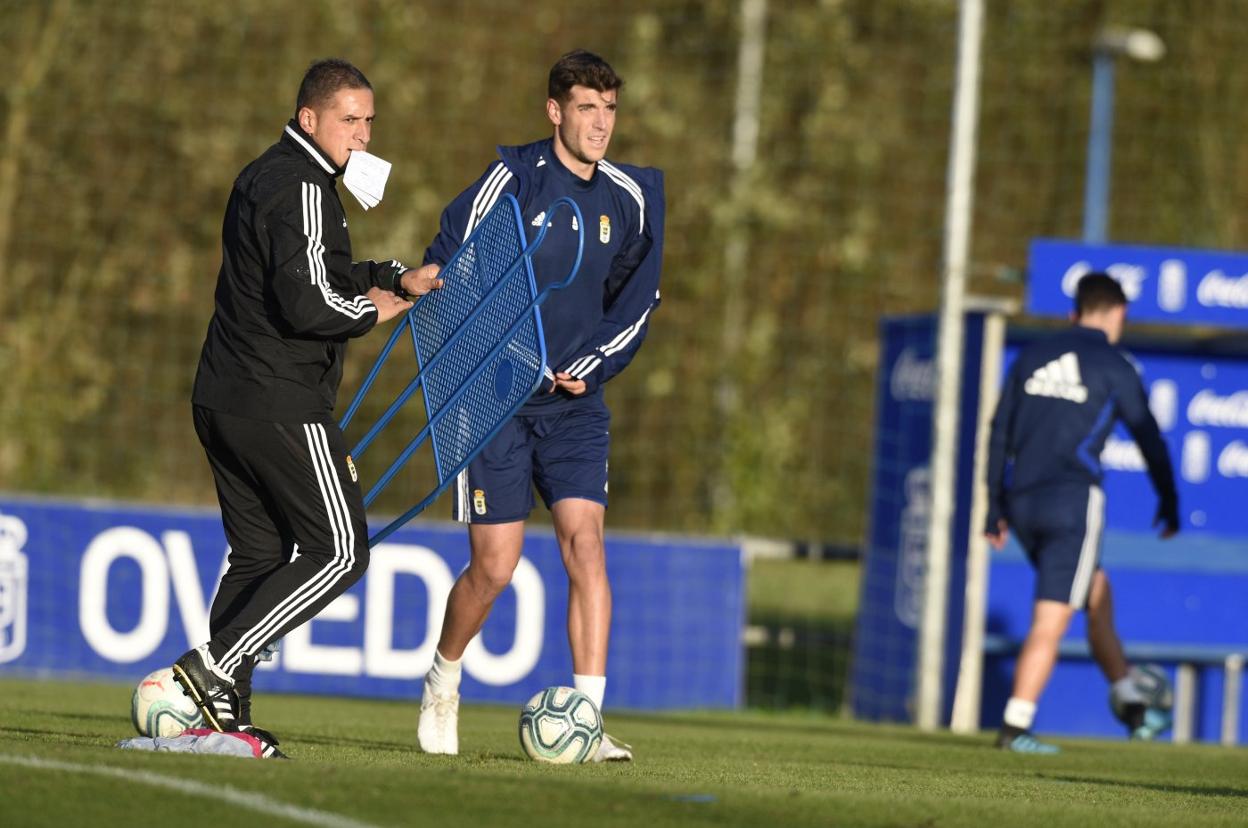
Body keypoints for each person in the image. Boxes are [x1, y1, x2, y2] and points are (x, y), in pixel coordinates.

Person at [174, 58, 442, 758]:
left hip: (222, 395)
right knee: (343, 550)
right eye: (350, 121)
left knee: (261, 553)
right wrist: (370, 310)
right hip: (276, 399)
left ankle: (220, 716)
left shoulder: (272, 175)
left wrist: (392, 276)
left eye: (369, 122)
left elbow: (312, 272)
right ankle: (211, 670)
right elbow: (309, 302)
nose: (362, 136)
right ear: (310, 120)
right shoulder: (301, 186)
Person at [415, 50, 664, 762]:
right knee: (495, 566)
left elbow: (637, 302)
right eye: (587, 108)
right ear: (555, 111)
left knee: (586, 545)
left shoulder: (630, 198)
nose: (601, 124)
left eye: (610, 109)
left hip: (575, 407)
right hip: (493, 397)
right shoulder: (516, 179)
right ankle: (443, 678)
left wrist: (595, 363)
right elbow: (451, 255)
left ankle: (585, 718)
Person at [984, 272, 1179, 754]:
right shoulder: (1114, 365)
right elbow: (1148, 436)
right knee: (1051, 619)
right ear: (1118, 314)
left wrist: (993, 505)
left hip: (1022, 503)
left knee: (1095, 593)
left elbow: (997, 432)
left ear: (1075, 311)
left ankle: (1133, 703)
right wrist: (1168, 500)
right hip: (1072, 503)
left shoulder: (1030, 357)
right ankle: (1016, 725)